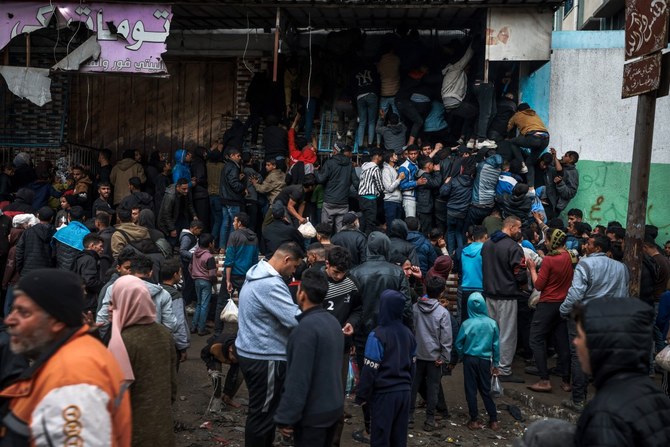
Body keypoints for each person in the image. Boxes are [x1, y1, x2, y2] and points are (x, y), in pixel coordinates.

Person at [0, 269, 131, 445]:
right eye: (14, 309)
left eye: (24, 312)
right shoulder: (68, 358)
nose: (9, 320)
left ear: (56, 321)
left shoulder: (72, 379)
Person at [572, 297, 670, 445]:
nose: (575, 342)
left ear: (601, 343)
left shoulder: (605, 415)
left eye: (579, 336)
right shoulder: (654, 393)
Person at [235, 242, 304, 447]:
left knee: (263, 412)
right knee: (263, 416)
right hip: (265, 356)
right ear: (286, 260)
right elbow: (293, 318)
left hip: (251, 350)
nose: (293, 272)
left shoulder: (256, 272)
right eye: (294, 267)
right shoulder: (270, 284)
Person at [349, 231, 412, 443]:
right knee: (393, 376)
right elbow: (406, 307)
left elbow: (353, 307)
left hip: (364, 335)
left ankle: (370, 426)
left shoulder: (356, 273)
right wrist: (407, 334)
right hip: (394, 336)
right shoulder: (397, 272)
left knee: (368, 377)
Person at [274, 269, 345, 447]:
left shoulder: (304, 330)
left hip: (314, 417)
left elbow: (298, 379)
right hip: (333, 409)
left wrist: (286, 417)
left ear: (302, 294)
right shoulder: (333, 322)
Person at [559, 235, 630, 411]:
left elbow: (576, 294)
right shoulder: (622, 268)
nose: (585, 246)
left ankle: (578, 400)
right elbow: (623, 294)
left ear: (597, 248)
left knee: (579, 357)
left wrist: (563, 310)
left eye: (589, 244)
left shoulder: (585, 264)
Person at [107, 275, 177, 447]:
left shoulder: (122, 342)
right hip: (162, 426)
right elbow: (172, 383)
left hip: (133, 430)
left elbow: (114, 396)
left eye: (114, 302)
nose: (110, 308)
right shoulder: (164, 333)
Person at [355, 289, 417, 447]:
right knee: (399, 438)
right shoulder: (409, 334)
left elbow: (369, 370)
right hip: (404, 393)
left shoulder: (377, 335)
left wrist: (362, 396)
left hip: (384, 394)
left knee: (381, 438)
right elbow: (413, 366)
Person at [481, 216, 528, 383]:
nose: (520, 231)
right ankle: (503, 370)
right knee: (507, 333)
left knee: (491, 333)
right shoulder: (513, 247)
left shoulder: (487, 244)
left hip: (489, 294)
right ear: (512, 227)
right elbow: (520, 273)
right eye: (519, 228)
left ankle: (490, 366)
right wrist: (524, 285)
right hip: (507, 295)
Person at [526, 229, 573, 393]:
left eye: (547, 240)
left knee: (536, 339)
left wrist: (532, 269)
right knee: (562, 341)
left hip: (547, 303)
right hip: (563, 303)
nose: (545, 242)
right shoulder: (568, 256)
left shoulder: (550, 260)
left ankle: (544, 379)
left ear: (552, 242)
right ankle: (566, 381)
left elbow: (538, 285)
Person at [410, 276, 452, 432]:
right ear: (442, 292)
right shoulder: (442, 313)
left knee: (413, 387)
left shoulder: (414, 308)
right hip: (435, 357)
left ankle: (409, 418)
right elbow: (446, 338)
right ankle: (429, 420)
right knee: (433, 388)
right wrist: (445, 357)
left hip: (416, 354)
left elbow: (411, 330)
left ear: (426, 289)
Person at [454, 292, 500, 431]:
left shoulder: (466, 324)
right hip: (485, 360)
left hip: (469, 359)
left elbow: (458, 344)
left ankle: (474, 419)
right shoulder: (492, 324)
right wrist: (496, 364)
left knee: (470, 390)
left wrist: (462, 355)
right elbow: (496, 346)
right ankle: (493, 420)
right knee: (486, 390)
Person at [218, 212, 259, 337]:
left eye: (235, 221)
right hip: (247, 276)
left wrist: (228, 280)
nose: (233, 223)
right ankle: (244, 331)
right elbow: (254, 260)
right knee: (245, 305)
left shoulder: (234, 236)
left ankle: (218, 333)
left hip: (233, 274)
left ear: (240, 223)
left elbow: (229, 260)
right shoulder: (255, 238)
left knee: (221, 303)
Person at [316, 144, 358, 232]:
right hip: (343, 202)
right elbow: (356, 183)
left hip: (329, 202)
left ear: (335, 151)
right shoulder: (350, 165)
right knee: (341, 231)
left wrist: (316, 171)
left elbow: (321, 179)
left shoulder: (329, 163)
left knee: (326, 231)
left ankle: (327, 245)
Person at [507, 103, 550, 187]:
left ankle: (522, 164)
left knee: (512, 142)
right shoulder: (535, 115)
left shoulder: (517, 114)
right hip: (545, 139)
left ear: (519, 110)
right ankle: (531, 188)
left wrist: (507, 136)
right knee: (530, 163)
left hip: (533, 137)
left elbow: (509, 127)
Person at [159, 258, 191, 366]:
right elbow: (179, 322)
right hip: (172, 342)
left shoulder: (157, 289)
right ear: (175, 274)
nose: (181, 276)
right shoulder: (175, 296)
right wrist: (183, 347)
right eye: (180, 273)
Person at [189, 233, 219, 336]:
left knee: (199, 304)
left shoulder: (194, 254)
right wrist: (214, 283)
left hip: (196, 281)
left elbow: (190, 267)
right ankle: (201, 329)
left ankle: (193, 327)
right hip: (206, 282)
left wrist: (194, 276)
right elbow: (212, 274)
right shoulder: (209, 257)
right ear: (210, 244)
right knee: (204, 305)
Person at [15, 206, 55, 275]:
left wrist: (20, 269)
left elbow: (19, 251)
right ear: (52, 218)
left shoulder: (28, 232)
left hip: (28, 272)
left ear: (37, 216)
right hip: (47, 273)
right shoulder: (55, 233)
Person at [158, 178, 198, 245]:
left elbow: (189, 204)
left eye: (187, 188)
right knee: (172, 240)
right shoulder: (170, 196)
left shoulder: (186, 192)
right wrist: (172, 229)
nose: (186, 191)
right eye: (184, 189)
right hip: (171, 219)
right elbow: (166, 214)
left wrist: (194, 215)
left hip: (181, 216)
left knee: (186, 235)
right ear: (178, 187)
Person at [220, 148, 246, 248]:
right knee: (234, 224)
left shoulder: (226, 166)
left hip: (225, 198)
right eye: (238, 156)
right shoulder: (233, 167)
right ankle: (231, 247)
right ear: (232, 156)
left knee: (225, 223)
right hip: (232, 199)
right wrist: (243, 189)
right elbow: (234, 183)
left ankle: (223, 247)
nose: (239, 158)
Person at [72, 233, 105, 312]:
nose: (102, 249)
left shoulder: (80, 257)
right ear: (92, 246)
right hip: (89, 303)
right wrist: (104, 286)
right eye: (100, 246)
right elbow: (89, 281)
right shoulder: (89, 259)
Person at [52, 205, 91, 271]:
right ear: (84, 217)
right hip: (77, 274)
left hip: (60, 270)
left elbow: (54, 252)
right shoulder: (87, 235)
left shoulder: (60, 232)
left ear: (69, 217)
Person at [357, 149, 384, 234]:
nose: (381, 159)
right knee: (370, 223)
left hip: (361, 198)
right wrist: (382, 192)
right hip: (370, 199)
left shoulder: (364, 167)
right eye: (381, 157)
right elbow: (380, 186)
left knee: (363, 221)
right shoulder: (375, 168)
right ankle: (367, 242)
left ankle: (360, 238)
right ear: (377, 157)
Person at [398, 145, 427, 218]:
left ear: (418, 153)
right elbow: (401, 185)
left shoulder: (416, 163)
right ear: (407, 154)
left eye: (415, 153)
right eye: (411, 154)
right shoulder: (404, 167)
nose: (413, 156)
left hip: (415, 196)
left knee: (416, 222)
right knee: (411, 222)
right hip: (408, 199)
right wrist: (417, 182)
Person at [381, 151, 405, 226]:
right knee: (391, 226)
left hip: (397, 201)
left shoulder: (394, 168)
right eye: (395, 155)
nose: (397, 156)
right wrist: (399, 179)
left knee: (397, 227)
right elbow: (389, 188)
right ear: (391, 158)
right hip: (390, 202)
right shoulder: (386, 170)